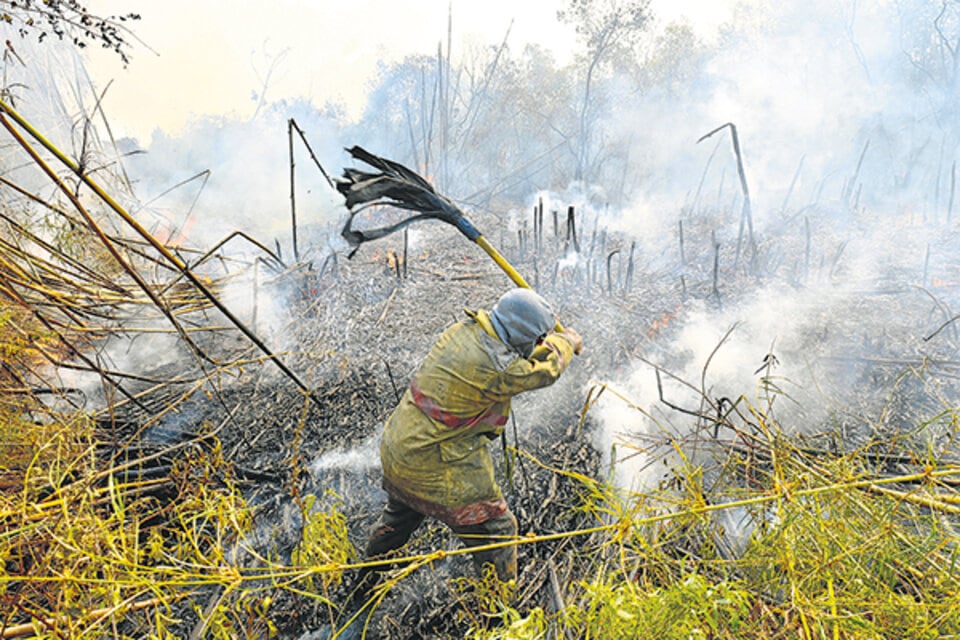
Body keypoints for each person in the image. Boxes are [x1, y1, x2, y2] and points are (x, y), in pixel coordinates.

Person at [360, 288, 583, 593]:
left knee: (401, 515)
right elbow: (544, 372)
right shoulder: (499, 367)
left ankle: (362, 582)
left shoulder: (463, 330)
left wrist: (547, 335)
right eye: (537, 338)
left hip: (401, 445)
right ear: (520, 334)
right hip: (434, 463)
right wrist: (565, 342)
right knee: (498, 530)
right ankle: (499, 613)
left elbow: (525, 355)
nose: (540, 344)